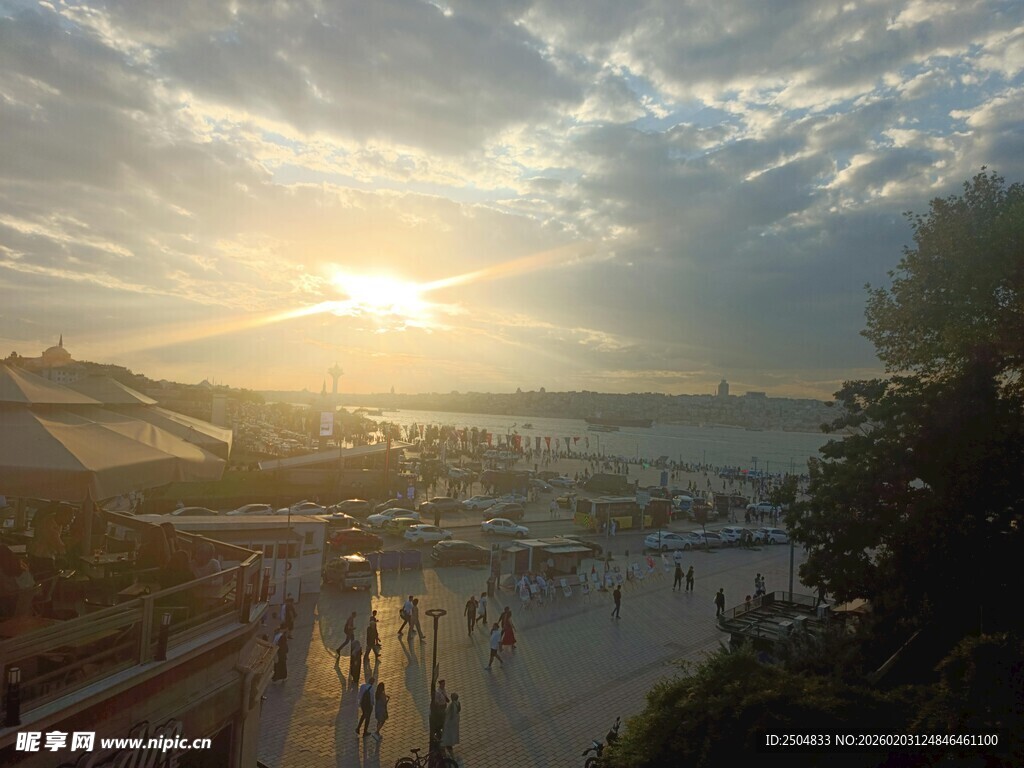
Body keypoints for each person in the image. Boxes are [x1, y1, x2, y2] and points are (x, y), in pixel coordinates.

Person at [441, 692, 461, 757]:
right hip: (455, 723)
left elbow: (448, 713)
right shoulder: (458, 703)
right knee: (450, 737)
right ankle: (447, 748)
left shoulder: (452, 705)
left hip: (450, 724)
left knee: (446, 738)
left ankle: (449, 753)